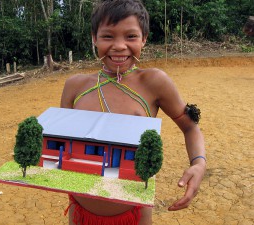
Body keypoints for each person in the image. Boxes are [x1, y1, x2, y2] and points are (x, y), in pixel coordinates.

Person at [60, 0, 206, 224]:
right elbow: (62, 143)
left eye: (130, 36)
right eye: (108, 36)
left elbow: (190, 127)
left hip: (134, 215)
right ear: (94, 38)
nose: (119, 46)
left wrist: (198, 164)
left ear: (144, 38)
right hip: (80, 213)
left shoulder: (154, 82)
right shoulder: (75, 86)